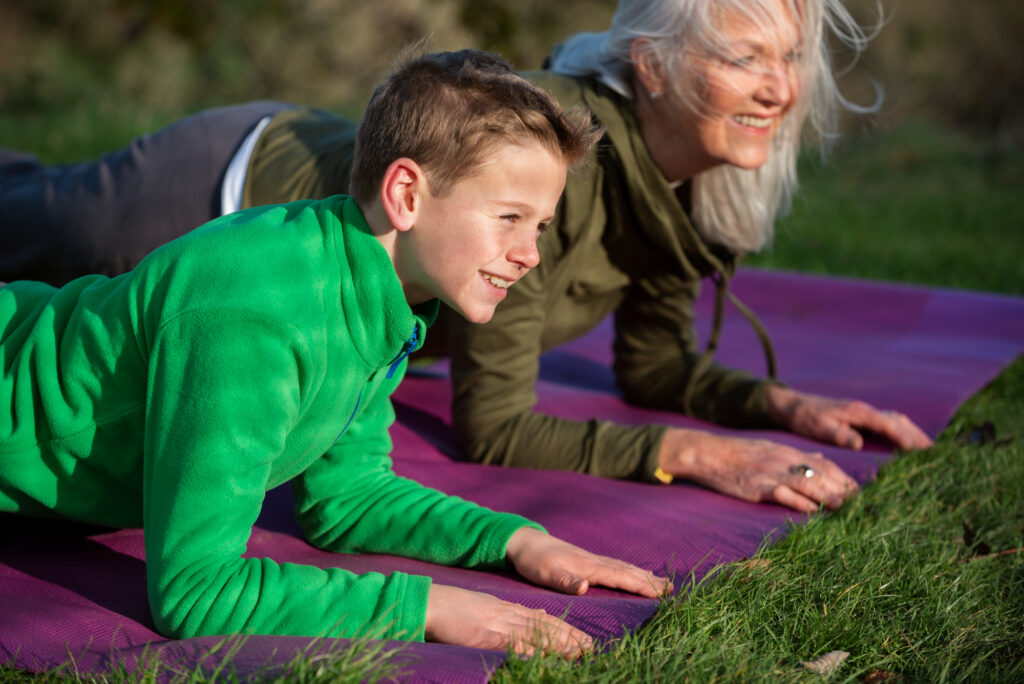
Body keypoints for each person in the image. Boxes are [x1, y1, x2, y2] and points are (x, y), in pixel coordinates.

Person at [0, 0, 933, 515]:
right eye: (745, 59)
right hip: (227, 185)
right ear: (652, 66)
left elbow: (652, 364)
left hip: (278, 176)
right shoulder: (554, 176)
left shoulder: (689, 187)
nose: (779, 89)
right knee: (19, 213)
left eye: (789, 58)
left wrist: (780, 406)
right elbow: (494, 426)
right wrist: (695, 455)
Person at [0, 49, 672, 659]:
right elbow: (196, 592)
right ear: (405, 195)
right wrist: (429, 608)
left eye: (541, 226)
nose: (530, 254)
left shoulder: (380, 295)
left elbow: (347, 497)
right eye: (509, 218)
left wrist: (516, 541)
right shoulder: (254, 313)